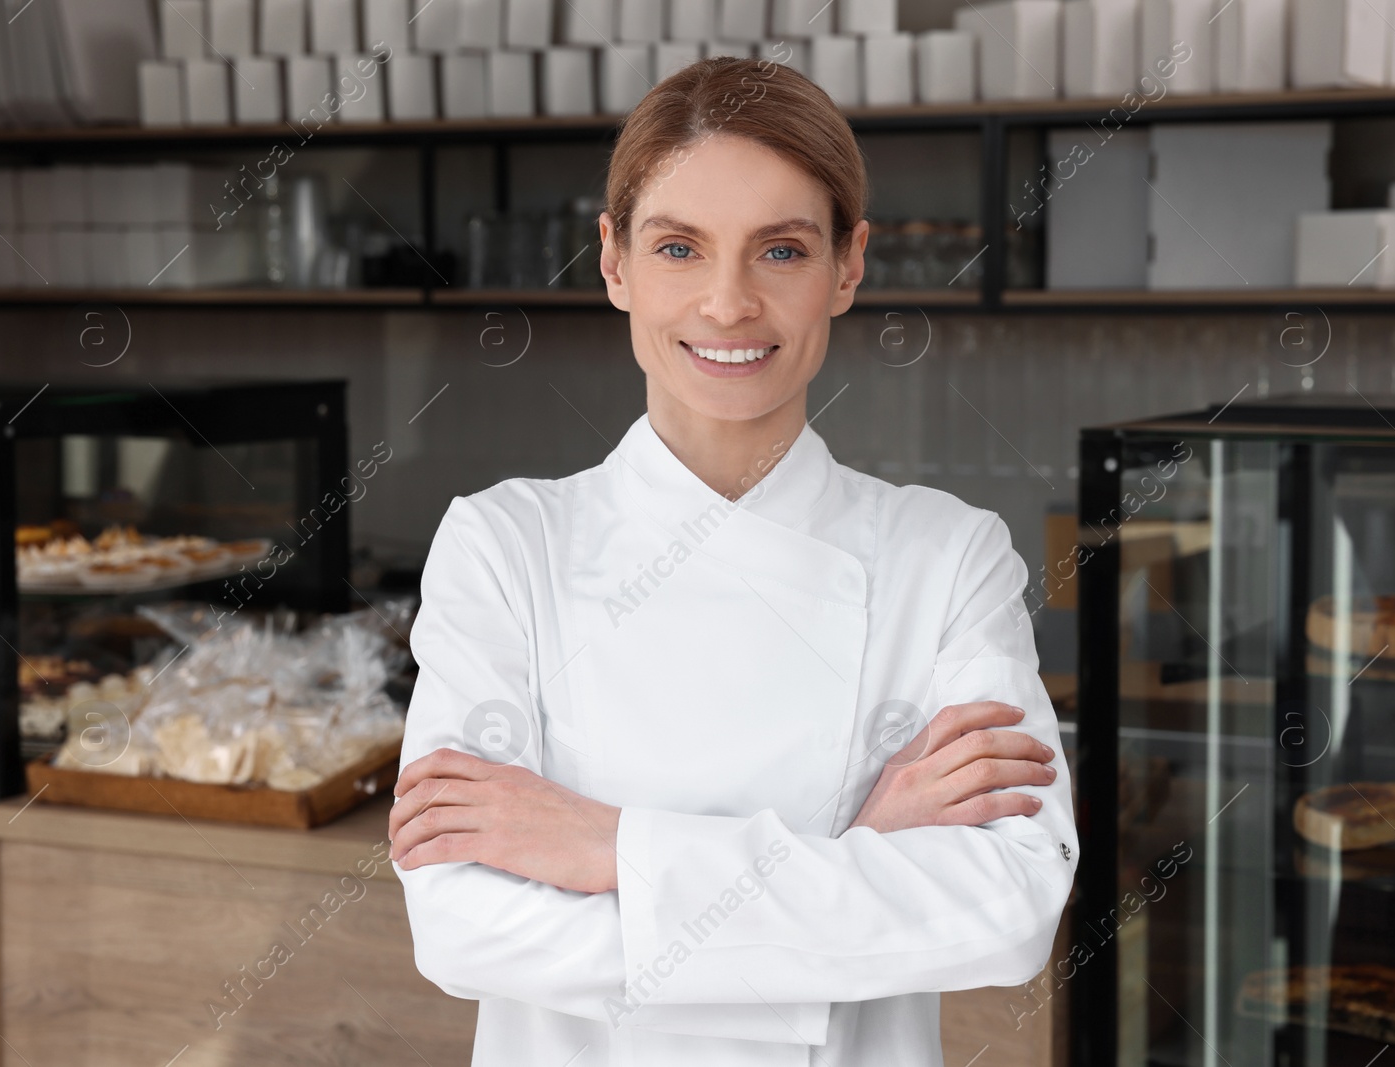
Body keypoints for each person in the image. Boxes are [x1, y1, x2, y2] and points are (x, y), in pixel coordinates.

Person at [387, 56, 1079, 1066]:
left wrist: (603, 847)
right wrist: (860, 862)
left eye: (781, 251)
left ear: (847, 266)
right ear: (613, 262)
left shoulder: (947, 554)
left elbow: (1009, 910)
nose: (726, 303)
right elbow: (461, 928)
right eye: (678, 246)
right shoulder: (505, 544)